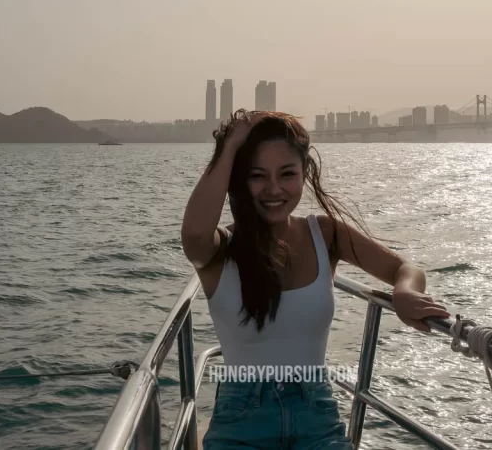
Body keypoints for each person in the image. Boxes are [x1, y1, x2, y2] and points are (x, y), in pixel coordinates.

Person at [181, 109, 450, 449]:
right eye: (257, 176)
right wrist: (230, 145)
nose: (274, 189)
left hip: (316, 416)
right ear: (238, 179)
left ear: (304, 173)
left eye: (287, 173)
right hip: (241, 420)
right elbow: (192, 232)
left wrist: (404, 292)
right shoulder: (219, 249)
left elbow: (404, 269)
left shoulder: (325, 234)